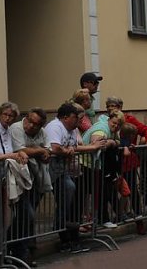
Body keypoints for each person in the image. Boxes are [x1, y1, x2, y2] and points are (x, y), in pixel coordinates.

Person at [45, 103, 103, 254]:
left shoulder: (72, 129)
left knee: (71, 198)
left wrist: (93, 147)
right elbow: (55, 148)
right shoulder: (55, 126)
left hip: (64, 172)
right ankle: (59, 230)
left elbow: (75, 148)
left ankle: (65, 233)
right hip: (49, 172)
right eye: (75, 117)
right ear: (65, 117)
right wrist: (66, 150)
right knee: (66, 197)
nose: (78, 121)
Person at [8, 107, 51, 266]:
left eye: (36, 124)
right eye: (29, 121)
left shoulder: (42, 133)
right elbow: (20, 149)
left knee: (24, 218)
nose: (31, 126)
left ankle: (12, 245)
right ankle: (22, 251)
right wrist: (40, 151)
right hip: (20, 180)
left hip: (37, 178)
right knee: (28, 215)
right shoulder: (16, 128)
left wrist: (43, 153)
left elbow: (47, 151)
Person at [0, 102, 27, 255]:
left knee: (3, 217)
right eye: (5, 115)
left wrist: (18, 154)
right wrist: (11, 156)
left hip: (2, 177)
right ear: (0, 114)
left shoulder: (8, 131)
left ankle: (0, 252)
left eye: (11, 116)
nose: (8, 119)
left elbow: (11, 150)